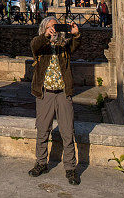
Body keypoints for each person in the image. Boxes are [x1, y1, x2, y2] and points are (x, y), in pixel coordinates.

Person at [28, 16, 81, 186]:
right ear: (44, 28)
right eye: (50, 27)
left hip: (63, 93)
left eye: (55, 27)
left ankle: (70, 168)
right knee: (43, 130)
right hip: (45, 94)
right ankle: (41, 163)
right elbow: (34, 46)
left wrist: (76, 35)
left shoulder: (63, 46)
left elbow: (75, 46)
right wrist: (46, 36)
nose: (54, 30)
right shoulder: (40, 45)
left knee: (67, 131)